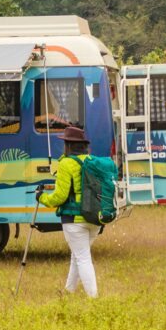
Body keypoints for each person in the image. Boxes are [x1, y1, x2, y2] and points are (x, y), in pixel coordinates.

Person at [36, 126, 99, 298]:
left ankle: (94, 299)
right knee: (77, 256)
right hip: (94, 218)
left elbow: (59, 196)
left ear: (68, 145)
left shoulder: (66, 164)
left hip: (74, 219)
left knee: (83, 258)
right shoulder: (92, 160)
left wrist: (41, 198)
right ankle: (68, 292)